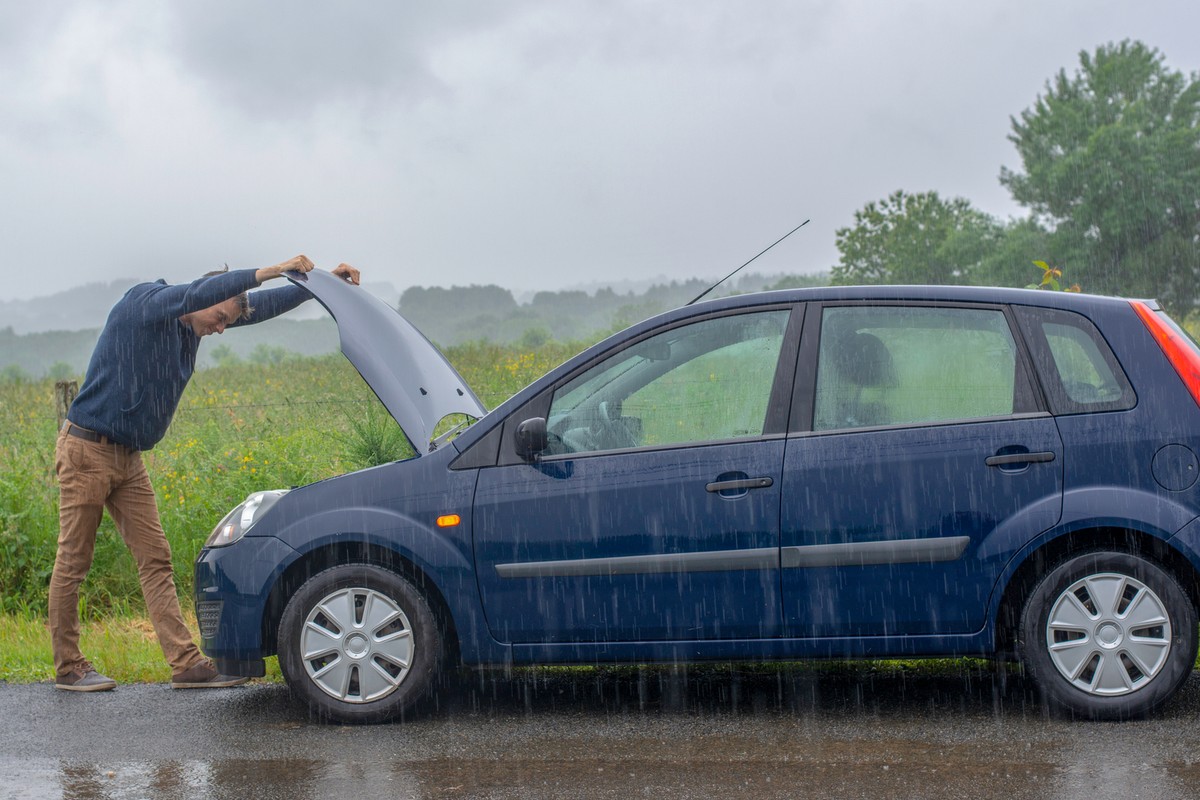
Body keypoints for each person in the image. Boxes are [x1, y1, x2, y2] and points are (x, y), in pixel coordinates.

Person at [50, 255, 361, 691]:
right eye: (219, 318)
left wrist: (320, 285)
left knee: (155, 559)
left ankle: (186, 664)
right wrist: (272, 268)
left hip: (129, 458)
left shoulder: (194, 324)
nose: (219, 329)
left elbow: (259, 309)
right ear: (206, 297)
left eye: (226, 323)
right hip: (87, 449)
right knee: (74, 563)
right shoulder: (145, 303)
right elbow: (198, 294)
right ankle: (69, 667)